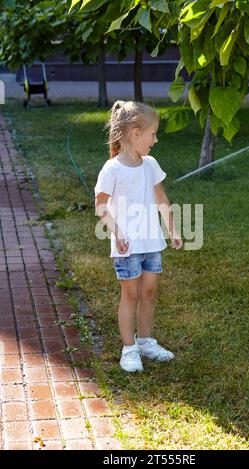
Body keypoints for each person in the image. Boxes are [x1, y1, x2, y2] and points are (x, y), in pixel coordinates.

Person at [94, 101, 183, 372]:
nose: (155, 140)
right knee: (130, 294)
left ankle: (145, 341)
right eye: (152, 134)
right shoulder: (113, 169)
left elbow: (161, 198)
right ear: (135, 133)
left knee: (150, 292)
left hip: (152, 242)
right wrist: (118, 232)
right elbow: (100, 206)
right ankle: (129, 348)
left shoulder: (150, 165)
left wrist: (172, 228)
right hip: (127, 245)